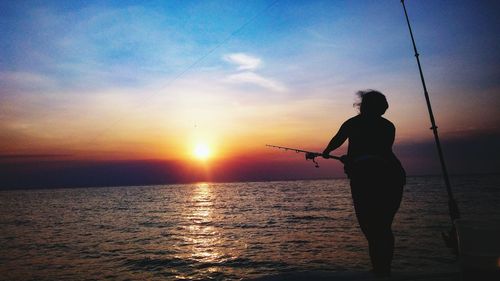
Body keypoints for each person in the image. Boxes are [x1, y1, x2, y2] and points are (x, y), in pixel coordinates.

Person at [322, 90, 406, 277]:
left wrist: (328, 152)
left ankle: (380, 269)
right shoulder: (388, 126)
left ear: (363, 106)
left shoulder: (353, 123)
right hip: (394, 178)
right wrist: (349, 158)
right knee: (383, 226)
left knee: (371, 227)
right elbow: (378, 152)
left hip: (370, 180)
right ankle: (383, 269)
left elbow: (345, 143)